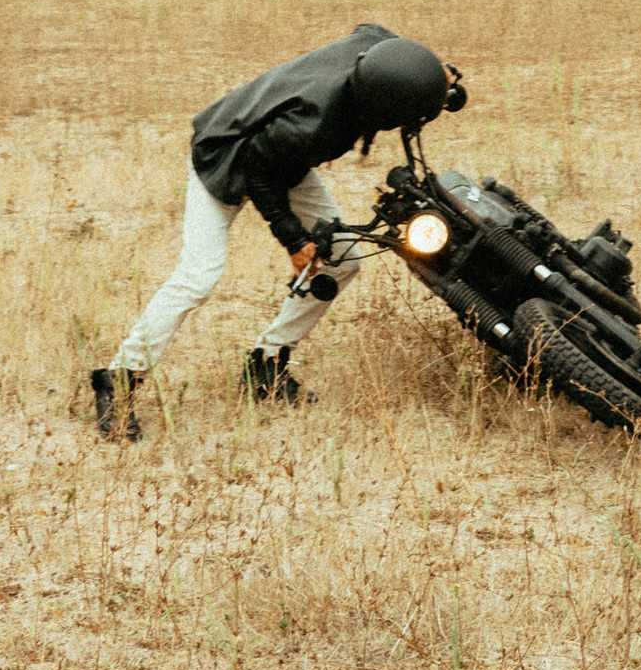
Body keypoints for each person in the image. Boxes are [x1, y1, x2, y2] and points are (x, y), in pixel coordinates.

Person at [90, 23, 455, 439]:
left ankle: (265, 366)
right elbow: (259, 175)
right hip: (228, 155)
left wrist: (434, 81)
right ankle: (118, 379)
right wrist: (295, 242)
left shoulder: (376, 50)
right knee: (199, 276)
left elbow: (378, 36)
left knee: (345, 258)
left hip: (279, 156)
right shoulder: (314, 124)